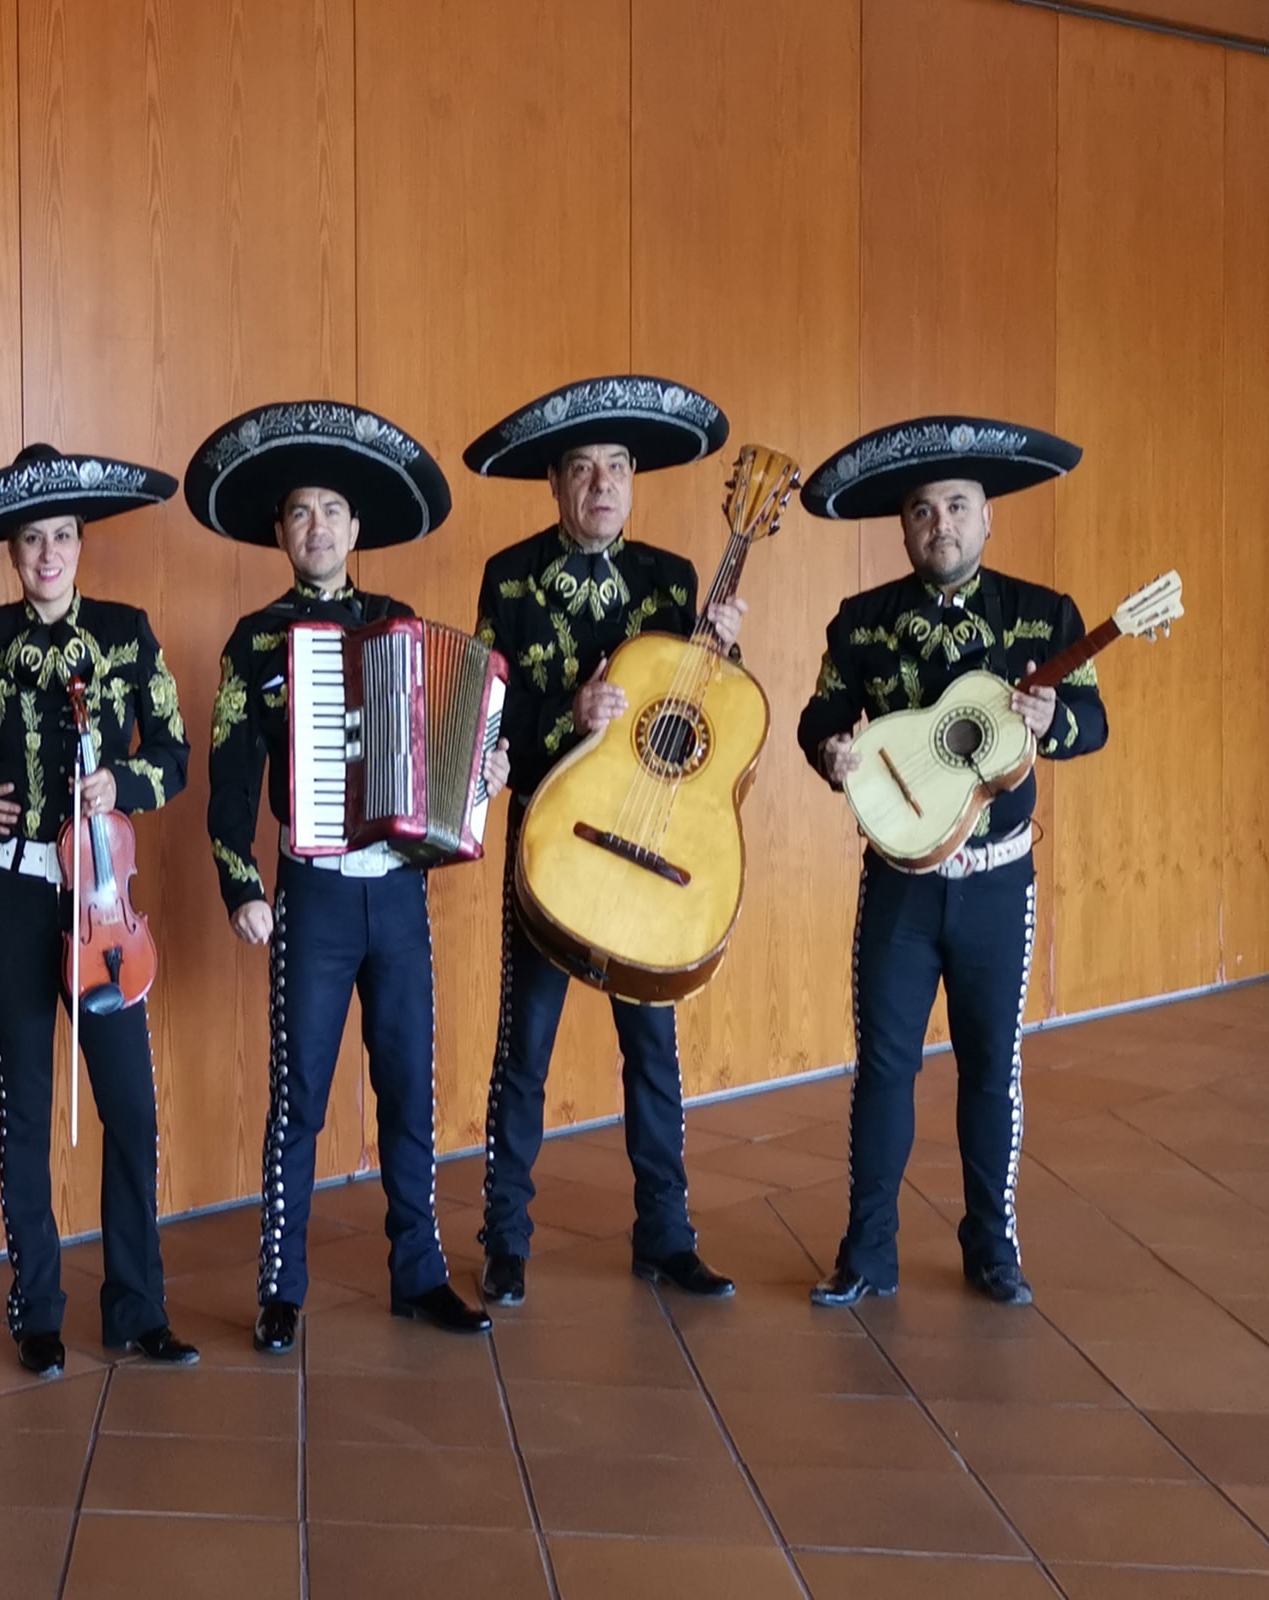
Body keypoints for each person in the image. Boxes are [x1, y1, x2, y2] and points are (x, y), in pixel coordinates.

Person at [190, 400, 508, 1354]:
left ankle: (420, 1273)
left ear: (355, 529)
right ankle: (280, 1287)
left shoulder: (398, 622)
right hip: (315, 893)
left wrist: (482, 774)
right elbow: (230, 772)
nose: (317, 527)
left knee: (412, 1086)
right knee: (300, 1094)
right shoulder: (253, 640)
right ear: (281, 534)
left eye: (332, 510)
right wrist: (240, 882)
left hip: (398, 891)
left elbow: (452, 739)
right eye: (300, 513)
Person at [796, 416, 1105, 1309]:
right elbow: (822, 719)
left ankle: (992, 1244)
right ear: (904, 527)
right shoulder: (861, 623)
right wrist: (831, 755)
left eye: (960, 507)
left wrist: (1058, 724)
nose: (943, 526)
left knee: (990, 1065)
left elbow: (1095, 724)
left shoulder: (1046, 619)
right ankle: (867, 1250)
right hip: (898, 884)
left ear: (988, 518)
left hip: (998, 881)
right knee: (885, 1068)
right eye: (925, 511)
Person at [0, 444, 198, 1376]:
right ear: (12, 550)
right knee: (25, 1105)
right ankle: (38, 1309)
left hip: (102, 898)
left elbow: (178, 754)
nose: (48, 554)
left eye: (63, 537)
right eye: (31, 539)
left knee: (131, 1108)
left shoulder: (125, 631)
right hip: (12, 894)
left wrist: (124, 782)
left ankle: (136, 1303)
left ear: (81, 543)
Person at [462, 375, 746, 1307]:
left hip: (647, 855)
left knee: (652, 1053)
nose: (601, 485)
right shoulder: (507, 577)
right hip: (551, 846)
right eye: (581, 469)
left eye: (616, 468)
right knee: (525, 1051)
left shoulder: (672, 580)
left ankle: (665, 1234)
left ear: (634, 481)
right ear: (554, 484)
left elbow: (691, 721)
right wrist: (568, 712)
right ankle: (505, 1240)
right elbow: (480, 722)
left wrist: (721, 654)